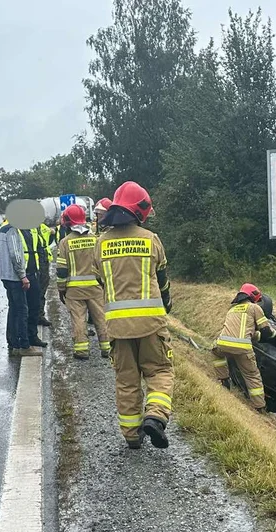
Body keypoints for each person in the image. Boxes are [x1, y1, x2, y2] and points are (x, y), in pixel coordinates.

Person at [94, 181, 173, 449]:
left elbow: (100, 280)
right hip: (151, 325)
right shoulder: (151, 240)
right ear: (140, 211)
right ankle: (155, 415)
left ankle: (131, 435)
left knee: (126, 380)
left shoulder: (101, 243)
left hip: (117, 326)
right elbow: (162, 280)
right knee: (159, 370)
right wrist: (167, 304)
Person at [211, 283, 276, 412]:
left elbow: (245, 332)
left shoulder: (232, 309)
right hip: (242, 349)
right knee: (252, 375)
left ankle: (224, 380)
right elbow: (266, 331)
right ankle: (259, 407)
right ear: (254, 296)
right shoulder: (254, 308)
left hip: (222, 344)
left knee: (217, 354)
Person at [56, 204, 110, 359]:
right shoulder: (96, 240)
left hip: (74, 290)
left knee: (79, 319)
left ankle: (82, 351)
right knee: (101, 317)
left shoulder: (65, 242)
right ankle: (107, 349)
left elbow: (61, 271)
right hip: (95, 287)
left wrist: (61, 289)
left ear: (67, 222)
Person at [0, 220, 40, 357]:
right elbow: (15, 255)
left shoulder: (2, 230)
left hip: (5, 276)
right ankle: (24, 345)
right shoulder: (13, 231)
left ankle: (13, 343)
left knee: (13, 310)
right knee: (22, 310)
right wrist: (23, 276)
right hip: (15, 277)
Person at [22, 222, 50, 348]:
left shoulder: (35, 228)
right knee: (21, 309)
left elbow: (40, 246)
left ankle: (32, 336)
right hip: (22, 273)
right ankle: (21, 339)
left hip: (34, 271)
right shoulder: (13, 229)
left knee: (34, 304)